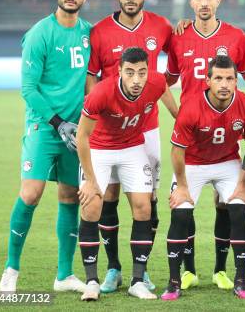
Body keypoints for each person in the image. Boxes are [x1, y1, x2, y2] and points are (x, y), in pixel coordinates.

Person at [0, 0, 91, 294]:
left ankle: (64, 275)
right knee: (31, 193)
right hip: (44, 127)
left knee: (69, 196)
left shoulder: (89, 34)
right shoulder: (40, 34)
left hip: (75, 131)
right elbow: (28, 87)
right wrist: (56, 122)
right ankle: (11, 269)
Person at [86, 0, 177, 293]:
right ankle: (113, 268)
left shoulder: (161, 26)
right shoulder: (99, 32)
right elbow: (92, 79)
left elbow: (168, 73)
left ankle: (144, 270)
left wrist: (177, 115)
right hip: (109, 133)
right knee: (107, 195)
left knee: (147, 200)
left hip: (147, 131)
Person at [165, 0, 245, 291]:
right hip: (191, 138)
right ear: (191, 2)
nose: (204, 3)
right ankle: (187, 271)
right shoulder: (177, 37)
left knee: (226, 205)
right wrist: (174, 111)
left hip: (225, 145)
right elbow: (166, 79)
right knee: (184, 205)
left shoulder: (235, 37)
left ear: (219, 0)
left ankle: (221, 270)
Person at [76, 47, 167, 301]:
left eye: (141, 72)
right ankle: (92, 281)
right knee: (91, 206)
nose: (136, 80)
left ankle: (137, 281)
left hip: (131, 147)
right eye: (130, 73)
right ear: (120, 71)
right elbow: (82, 136)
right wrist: (91, 181)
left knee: (143, 207)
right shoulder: (101, 93)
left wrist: (178, 114)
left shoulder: (156, 82)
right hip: (99, 149)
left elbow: (164, 89)